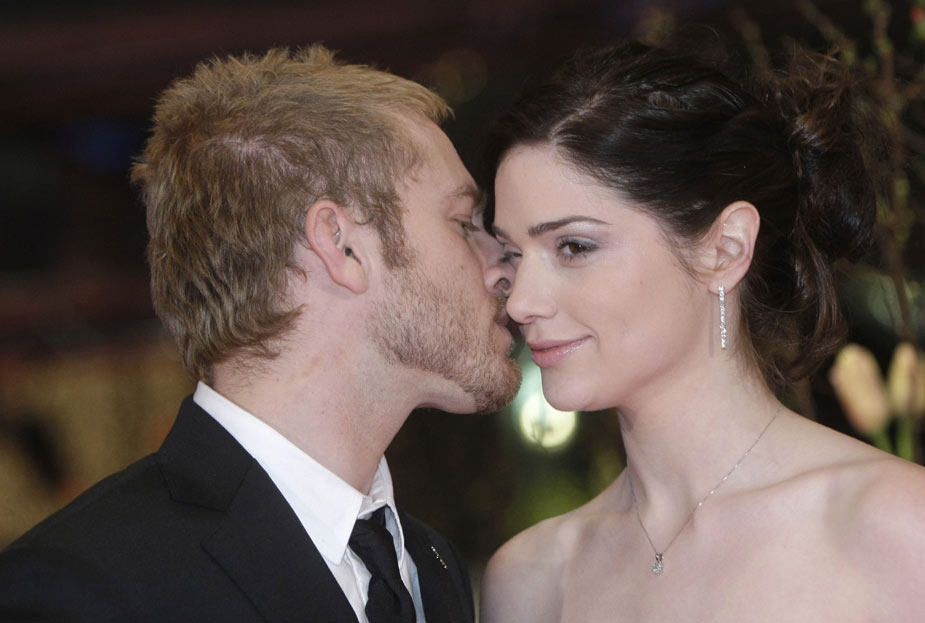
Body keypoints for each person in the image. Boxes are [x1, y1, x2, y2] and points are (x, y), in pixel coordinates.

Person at [0, 44, 520, 622]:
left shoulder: (429, 566)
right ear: (341, 246)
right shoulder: (82, 589)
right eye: (462, 222)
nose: (504, 264)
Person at [478, 33, 925, 622]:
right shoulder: (531, 578)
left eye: (574, 247)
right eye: (512, 255)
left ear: (725, 249)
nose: (521, 303)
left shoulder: (897, 526)